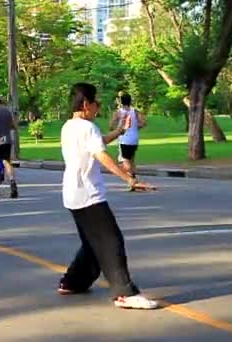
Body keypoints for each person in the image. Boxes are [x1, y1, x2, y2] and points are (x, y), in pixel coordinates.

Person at [57, 82, 157, 310]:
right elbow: (101, 155)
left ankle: (73, 281)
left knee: (93, 243)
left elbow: (98, 142)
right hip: (88, 194)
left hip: (72, 194)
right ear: (86, 104)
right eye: (96, 103)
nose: (98, 107)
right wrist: (129, 178)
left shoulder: (69, 126)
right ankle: (124, 293)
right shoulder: (87, 127)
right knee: (111, 241)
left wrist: (120, 130)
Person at [110, 93, 146, 189]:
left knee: (124, 161)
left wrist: (117, 128)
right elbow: (143, 123)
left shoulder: (118, 112)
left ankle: (132, 180)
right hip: (134, 139)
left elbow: (111, 125)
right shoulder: (135, 112)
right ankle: (133, 178)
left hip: (124, 139)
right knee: (132, 159)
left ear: (121, 102)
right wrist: (136, 127)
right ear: (130, 101)